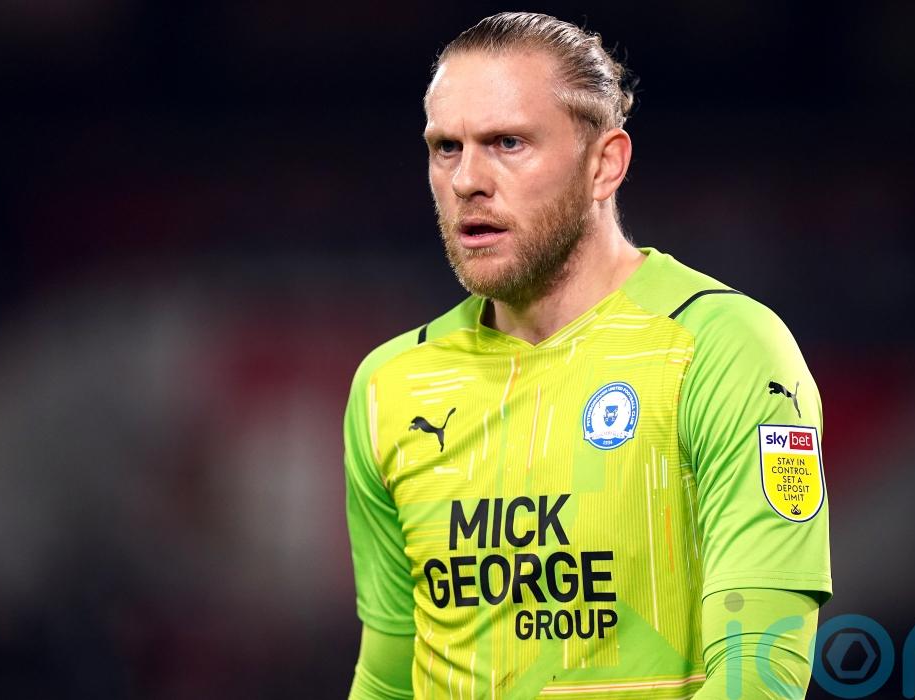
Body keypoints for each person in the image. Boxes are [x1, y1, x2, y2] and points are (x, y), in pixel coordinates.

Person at [344, 12, 831, 699]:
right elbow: (388, 681)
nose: (467, 180)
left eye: (507, 142)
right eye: (446, 147)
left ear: (605, 164)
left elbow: (759, 672)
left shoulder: (724, 350)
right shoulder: (390, 385)